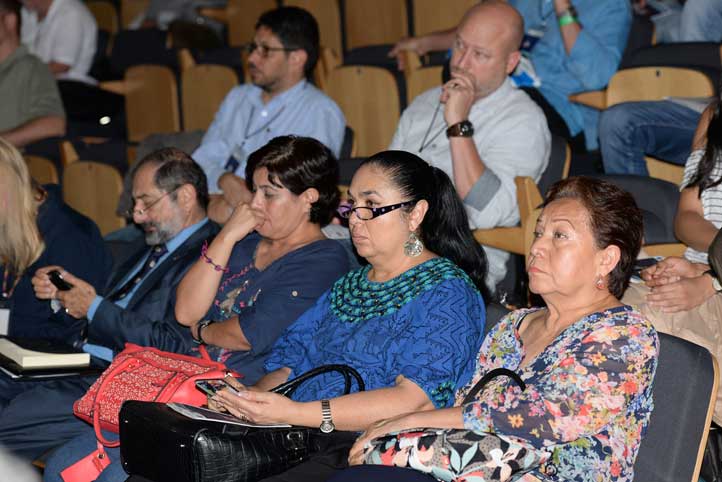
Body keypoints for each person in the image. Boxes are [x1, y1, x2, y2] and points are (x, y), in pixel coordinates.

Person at [45, 150, 489, 482]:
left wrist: (297, 412)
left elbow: (416, 400)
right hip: (289, 430)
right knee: (145, 465)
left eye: (371, 206)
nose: (355, 219)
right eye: (352, 205)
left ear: (416, 214)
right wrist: (244, 400)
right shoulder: (351, 284)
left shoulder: (447, 292)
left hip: (355, 446)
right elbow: (289, 363)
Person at [333, 176, 658, 482]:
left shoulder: (626, 336)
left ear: (606, 260)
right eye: (538, 234)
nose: (537, 248)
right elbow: (464, 404)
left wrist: (410, 420)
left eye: (559, 236)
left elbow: (539, 418)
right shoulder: (513, 325)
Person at [0, 148, 218, 460]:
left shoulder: (208, 260)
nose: (136, 215)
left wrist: (92, 306)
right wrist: (63, 295)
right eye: (135, 203)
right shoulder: (143, 247)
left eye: (146, 202)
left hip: (119, 380)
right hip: (76, 361)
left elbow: (174, 344)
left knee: (9, 422)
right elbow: (98, 307)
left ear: (184, 197)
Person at [389, 0, 550, 289]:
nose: (461, 63)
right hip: (391, 249)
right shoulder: (424, 103)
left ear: (510, 62)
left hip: (456, 268)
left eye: (480, 54)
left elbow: (485, 212)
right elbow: (386, 178)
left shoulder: (524, 121)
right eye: (460, 45)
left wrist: (458, 125)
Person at [176, 135, 352, 383]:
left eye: (268, 194)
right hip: (187, 370)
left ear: (308, 198)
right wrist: (226, 236)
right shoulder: (244, 241)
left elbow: (248, 334)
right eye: (254, 191)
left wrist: (202, 330)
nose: (254, 204)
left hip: (243, 387)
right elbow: (185, 313)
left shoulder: (324, 260)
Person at [390, 0, 631, 152]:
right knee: (456, 71)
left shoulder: (611, 6)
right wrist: (423, 43)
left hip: (557, 106)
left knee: (485, 90)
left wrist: (562, 7)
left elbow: (597, 77)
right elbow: (480, 33)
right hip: (501, 84)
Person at [191, 6, 346, 223]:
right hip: (213, 205)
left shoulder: (320, 111)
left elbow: (300, 193)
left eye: (265, 50)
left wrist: (236, 198)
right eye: (253, 47)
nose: (252, 58)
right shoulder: (238, 97)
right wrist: (224, 180)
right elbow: (200, 161)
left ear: (297, 58)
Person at [623, 95, 722, 423]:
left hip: (710, 284)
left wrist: (709, 280)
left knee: (651, 325)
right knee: (612, 309)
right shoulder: (714, 115)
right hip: (702, 269)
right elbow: (687, 218)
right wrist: (704, 265)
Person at [0, 137, 110, 342]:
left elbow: (71, 331)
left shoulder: (71, 236)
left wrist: (10, 331)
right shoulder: (12, 225)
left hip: (52, 353)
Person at [0, 0, 65, 147]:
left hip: (12, 159)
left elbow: (54, 124)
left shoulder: (31, 68)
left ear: (9, 21)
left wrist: (3, 145)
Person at [20, 0, 97, 84]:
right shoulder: (29, 10)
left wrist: (20, 73)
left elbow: (61, 66)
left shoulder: (71, 13)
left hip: (66, 84)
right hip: (38, 80)